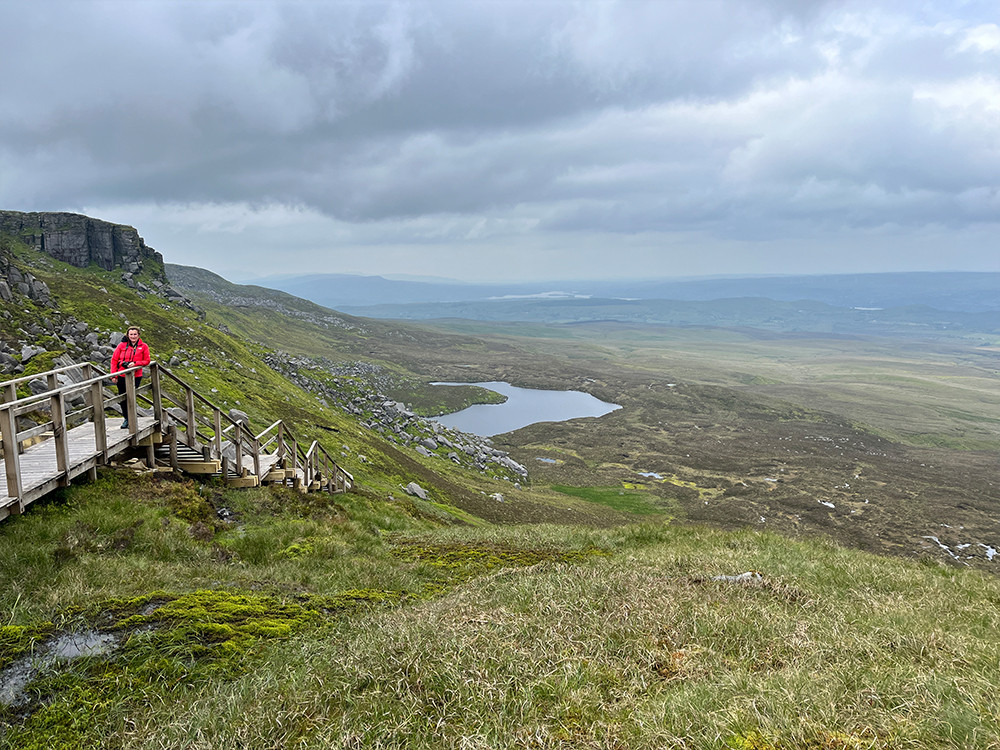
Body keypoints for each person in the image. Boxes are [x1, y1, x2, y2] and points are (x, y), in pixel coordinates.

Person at [110, 325, 151, 429]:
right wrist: (113, 375)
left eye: (135, 334)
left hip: (135, 375)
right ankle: (126, 419)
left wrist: (136, 363)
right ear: (127, 335)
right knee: (122, 398)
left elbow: (147, 361)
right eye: (131, 334)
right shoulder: (121, 345)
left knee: (131, 397)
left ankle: (132, 419)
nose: (133, 336)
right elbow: (114, 360)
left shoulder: (144, 346)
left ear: (138, 335)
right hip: (121, 375)